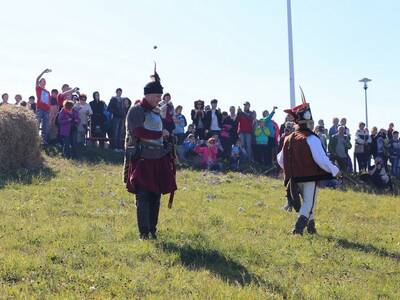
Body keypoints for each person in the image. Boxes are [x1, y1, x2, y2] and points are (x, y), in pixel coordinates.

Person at [124, 65, 177, 240]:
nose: (158, 99)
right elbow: (138, 132)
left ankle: (153, 230)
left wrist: (167, 139)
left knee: (156, 196)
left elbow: (159, 135)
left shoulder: (155, 113)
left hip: (158, 159)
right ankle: (144, 233)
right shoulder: (136, 110)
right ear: (147, 95)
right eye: (156, 96)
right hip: (143, 159)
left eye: (160, 97)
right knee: (144, 196)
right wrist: (159, 133)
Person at [277, 96, 340, 235]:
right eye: (311, 122)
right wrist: (335, 171)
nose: (313, 124)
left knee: (309, 202)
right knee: (309, 203)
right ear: (307, 123)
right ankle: (298, 228)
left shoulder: (288, 138)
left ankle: (311, 227)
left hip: (294, 178)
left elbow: (280, 160)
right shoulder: (312, 138)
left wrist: (290, 170)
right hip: (309, 177)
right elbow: (321, 160)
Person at [35, 68, 52, 145]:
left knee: (45, 126)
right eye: (43, 80)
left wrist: (49, 110)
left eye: (45, 81)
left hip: (46, 110)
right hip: (40, 109)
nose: (44, 82)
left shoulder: (48, 92)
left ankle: (43, 141)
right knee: (37, 124)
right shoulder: (38, 88)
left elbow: (49, 102)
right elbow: (37, 78)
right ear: (40, 82)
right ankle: (35, 140)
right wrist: (43, 72)